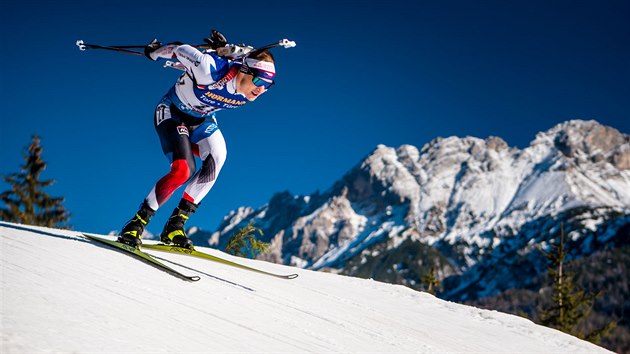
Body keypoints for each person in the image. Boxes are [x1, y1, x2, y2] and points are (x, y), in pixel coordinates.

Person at [118, 31, 276, 249]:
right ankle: (137, 223)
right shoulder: (209, 69)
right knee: (183, 170)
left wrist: (227, 49)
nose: (261, 89)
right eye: (259, 80)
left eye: (269, 85)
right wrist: (155, 52)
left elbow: (243, 55)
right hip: (172, 113)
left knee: (218, 156)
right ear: (245, 71)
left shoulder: (248, 89)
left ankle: (175, 225)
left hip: (200, 120)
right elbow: (178, 49)